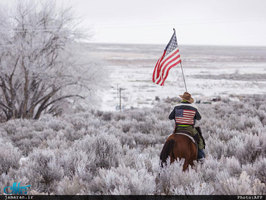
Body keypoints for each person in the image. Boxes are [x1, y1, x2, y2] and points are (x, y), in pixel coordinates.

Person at [169, 92, 205, 162]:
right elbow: (199, 118)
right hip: (190, 129)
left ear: (182, 99)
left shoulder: (176, 107)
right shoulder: (193, 108)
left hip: (178, 128)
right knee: (199, 141)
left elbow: (170, 117)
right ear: (189, 100)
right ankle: (201, 157)